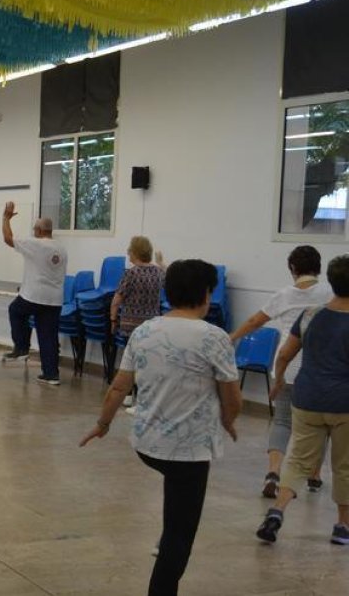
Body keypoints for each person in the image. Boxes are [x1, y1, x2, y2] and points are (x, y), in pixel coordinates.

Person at [81, 259, 242, 596]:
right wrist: (228, 420)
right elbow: (233, 398)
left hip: (146, 444)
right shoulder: (214, 338)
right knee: (180, 536)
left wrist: (102, 424)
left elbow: (119, 387)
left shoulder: (144, 331)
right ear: (205, 295)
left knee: (175, 504)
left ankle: (170, 529)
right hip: (189, 453)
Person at [255, 254, 349, 547]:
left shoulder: (310, 314)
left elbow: (284, 354)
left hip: (307, 398)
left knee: (296, 459)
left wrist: (279, 379)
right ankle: (342, 526)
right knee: (344, 465)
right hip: (344, 403)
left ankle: (276, 512)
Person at [229, 245, 333, 497]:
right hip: (320, 370)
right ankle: (314, 476)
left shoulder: (284, 295)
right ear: (318, 268)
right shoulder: (330, 292)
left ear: (293, 269)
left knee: (283, 422)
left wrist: (233, 337)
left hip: (287, 367)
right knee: (320, 425)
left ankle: (274, 472)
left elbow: (256, 321)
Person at [2, 201, 68, 386]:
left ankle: (22, 347)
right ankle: (51, 374)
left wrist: (6, 218)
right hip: (54, 299)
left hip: (34, 295)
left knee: (15, 310)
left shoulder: (37, 244)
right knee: (48, 336)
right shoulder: (61, 248)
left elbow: (8, 238)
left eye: (34, 229)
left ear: (39, 231)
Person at [111, 236, 166, 411]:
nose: (128, 253)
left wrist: (113, 319)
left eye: (129, 250)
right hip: (151, 325)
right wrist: (161, 262)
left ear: (135, 252)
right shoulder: (158, 272)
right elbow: (169, 275)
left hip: (131, 325)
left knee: (131, 361)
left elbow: (117, 300)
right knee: (146, 362)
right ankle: (136, 397)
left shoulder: (131, 273)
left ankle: (131, 397)